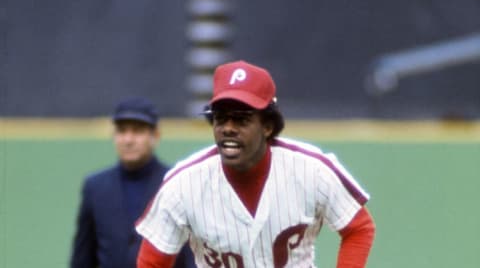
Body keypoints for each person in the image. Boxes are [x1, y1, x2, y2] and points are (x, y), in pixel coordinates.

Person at [136, 60, 376, 267]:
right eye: (220, 118)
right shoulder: (182, 184)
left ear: (267, 126)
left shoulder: (311, 169)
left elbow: (359, 228)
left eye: (241, 119)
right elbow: (153, 262)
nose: (228, 128)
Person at [70, 97, 195, 268]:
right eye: (122, 131)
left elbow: (191, 255)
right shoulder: (95, 187)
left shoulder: (176, 184)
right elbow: (83, 258)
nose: (128, 139)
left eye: (137, 131)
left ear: (155, 136)